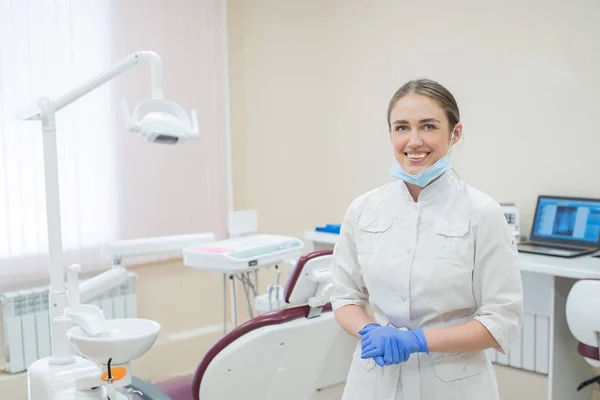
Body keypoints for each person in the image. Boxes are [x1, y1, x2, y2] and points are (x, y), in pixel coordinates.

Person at [330, 78, 524, 399]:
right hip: (374, 380)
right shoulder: (363, 209)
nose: (414, 140)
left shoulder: (482, 212)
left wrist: (418, 341)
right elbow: (345, 297)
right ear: (391, 134)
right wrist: (369, 330)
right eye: (402, 127)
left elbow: (502, 319)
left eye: (429, 126)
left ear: (455, 133)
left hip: (452, 383)